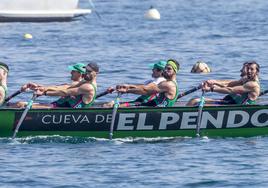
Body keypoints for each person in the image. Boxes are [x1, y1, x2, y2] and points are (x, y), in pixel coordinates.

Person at [18, 62, 99, 109]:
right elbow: (64, 87)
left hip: (70, 112)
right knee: (20, 104)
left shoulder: (88, 87)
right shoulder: (85, 82)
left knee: (22, 105)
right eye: (86, 71)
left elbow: (65, 92)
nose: (86, 73)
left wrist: (44, 93)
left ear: (96, 73)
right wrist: (39, 87)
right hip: (64, 107)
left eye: (89, 71)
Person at [187, 61, 260, 106]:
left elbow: (230, 90)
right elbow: (229, 84)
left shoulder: (253, 84)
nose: (249, 71)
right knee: (194, 100)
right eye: (248, 69)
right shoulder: (246, 78)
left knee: (195, 102)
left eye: (252, 69)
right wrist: (214, 82)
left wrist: (211, 89)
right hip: (230, 102)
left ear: (257, 71)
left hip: (237, 107)